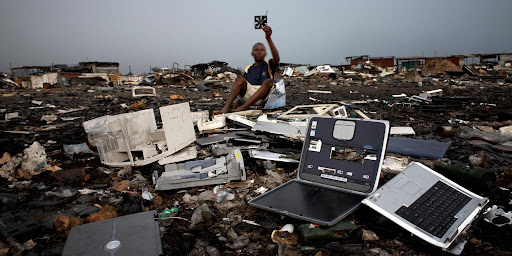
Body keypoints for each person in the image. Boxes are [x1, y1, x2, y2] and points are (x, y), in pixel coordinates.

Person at [221, 26, 280, 113]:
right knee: (240, 79)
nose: (259, 52)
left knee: (269, 81)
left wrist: (268, 38)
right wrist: (237, 101)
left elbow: (276, 58)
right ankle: (225, 109)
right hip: (249, 95)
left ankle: (244, 107)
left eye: (262, 50)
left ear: (265, 53)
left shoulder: (268, 64)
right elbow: (242, 87)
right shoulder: (249, 68)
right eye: (256, 50)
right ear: (252, 54)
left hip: (263, 96)